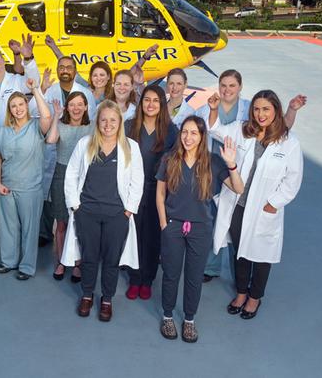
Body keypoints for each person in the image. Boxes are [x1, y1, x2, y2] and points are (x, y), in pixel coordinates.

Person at [207, 90, 305, 321]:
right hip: (238, 205)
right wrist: (213, 109)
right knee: (240, 252)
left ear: (276, 111)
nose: (261, 114)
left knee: (261, 256)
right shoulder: (244, 131)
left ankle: (255, 297)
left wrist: (274, 204)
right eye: (257, 109)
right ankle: (241, 292)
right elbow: (216, 129)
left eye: (266, 109)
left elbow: (293, 179)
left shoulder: (289, 142)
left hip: (264, 209)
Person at [155, 115, 244, 342]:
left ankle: (189, 320)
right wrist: (165, 224)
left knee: (194, 276)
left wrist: (231, 164)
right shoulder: (169, 159)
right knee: (171, 274)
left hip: (200, 229)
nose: (188, 137)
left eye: (194, 132)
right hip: (173, 226)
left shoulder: (213, 162)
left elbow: (238, 188)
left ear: (202, 136)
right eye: (185, 132)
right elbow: (160, 194)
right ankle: (167, 316)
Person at [63, 101, 143, 322]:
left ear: (120, 123)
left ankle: (106, 298)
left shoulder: (130, 147)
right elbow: (71, 175)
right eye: (104, 120)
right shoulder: (85, 144)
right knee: (88, 257)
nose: (108, 124)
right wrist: (75, 206)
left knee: (112, 259)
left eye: (113, 120)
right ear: (97, 122)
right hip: (87, 211)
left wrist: (128, 211)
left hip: (117, 214)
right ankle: (87, 295)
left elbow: (138, 180)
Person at [0, 34, 40, 243]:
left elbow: (35, 83)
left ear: (3, 61)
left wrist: (28, 58)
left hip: (13, 140)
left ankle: (14, 227)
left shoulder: (16, 80)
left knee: (10, 184)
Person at [124, 85, 178, 300]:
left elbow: (175, 165)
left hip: (158, 191)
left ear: (162, 104)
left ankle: (147, 279)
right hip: (133, 190)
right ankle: (134, 278)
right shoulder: (129, 127)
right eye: (147, 99)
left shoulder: (171, 130)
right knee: (134, 235)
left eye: (156, 100)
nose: (151, 104)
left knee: (153, 236)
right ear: (141, 102)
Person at [0, 81, 52, 279]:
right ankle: (8, 261)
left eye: (21, 104)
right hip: (7, 186)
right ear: (9, 110)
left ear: (27, 106)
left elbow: (47, 116)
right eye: (13, 106)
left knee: (29, 229)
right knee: (9, 227)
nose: (18, 109)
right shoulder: (4, 131)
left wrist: (35, 89)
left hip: (30, 188)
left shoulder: (36, 127)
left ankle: (26, 267)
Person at [46, 93, 92, 282]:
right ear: (67, 107)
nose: (76, 108)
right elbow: (50, 140)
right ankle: (61, 262)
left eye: (80, 104)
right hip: (61, 174)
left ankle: (78, 263)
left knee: (80, 222)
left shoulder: (91, 128)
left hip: (83, 177)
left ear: (86, 107)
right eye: (72, 104)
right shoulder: (62, 126)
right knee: (62, 222)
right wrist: (56, 116)